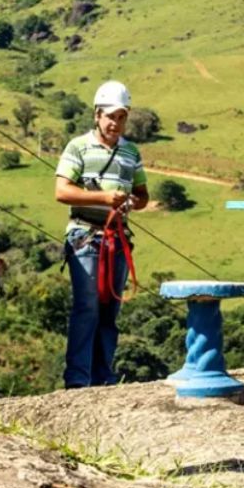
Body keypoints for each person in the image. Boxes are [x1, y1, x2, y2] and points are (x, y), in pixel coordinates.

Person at [54, 81, 149, 389]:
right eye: (110, 116)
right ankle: (78, 380)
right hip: (85, 237)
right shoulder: (78, 147)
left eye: (121, 117)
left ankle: (103, 377)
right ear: (97, 115)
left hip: (117, 239)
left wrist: (133, 202)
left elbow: (143, 194)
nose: (115, 123)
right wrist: (103, 199)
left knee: (110, 308)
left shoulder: (131, 152)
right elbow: (62, 191)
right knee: (87, 307)